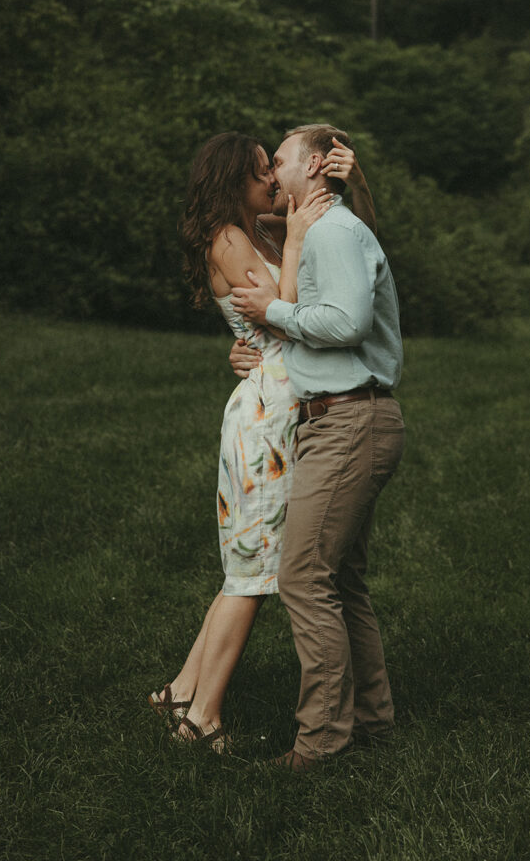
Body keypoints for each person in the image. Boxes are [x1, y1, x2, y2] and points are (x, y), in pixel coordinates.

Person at [148, 130, 375, 750]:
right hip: (267, 414)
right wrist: (296, 240)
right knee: (252, 572)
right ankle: (202, 718)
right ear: (232, 182)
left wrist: (340, 182)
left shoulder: (262, 228)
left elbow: (330, 228)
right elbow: (287, 307)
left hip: (281, 399)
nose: (272, 181)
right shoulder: (230, 238)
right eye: (259, 173)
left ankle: (181, 689)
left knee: (250, 563)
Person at [231, 124, 405, 772]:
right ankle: (371, 721)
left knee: (302, 576)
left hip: (349, 421)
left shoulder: (332, 231)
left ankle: (321, 742)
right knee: (342, 579)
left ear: (311, 165)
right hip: (342, 419)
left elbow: (344, 322)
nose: (273, 173)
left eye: (279, 160)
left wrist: (272, 313)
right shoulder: (320, 225)